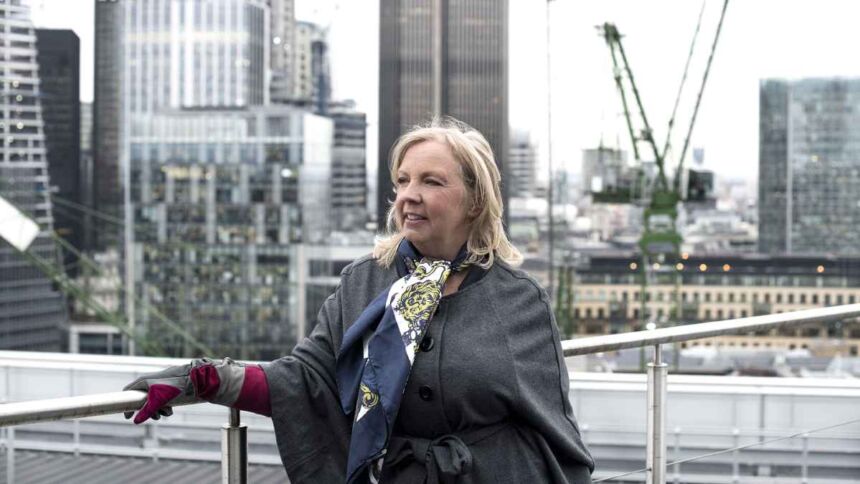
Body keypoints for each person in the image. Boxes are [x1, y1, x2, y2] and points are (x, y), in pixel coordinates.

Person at [124, 118, 594, 483]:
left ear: (474, 200)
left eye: (431, 182)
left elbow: (554, 436)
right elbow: (307, 379)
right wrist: (206, 378)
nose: (409, 196)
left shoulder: (519, 299)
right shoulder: (364, 281)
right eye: (403, 180)